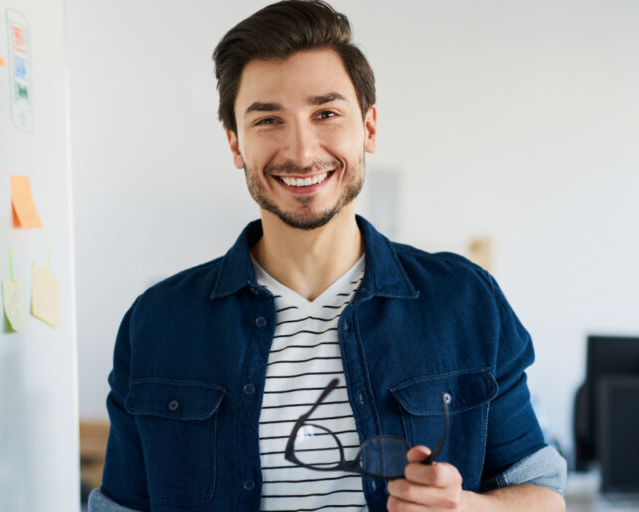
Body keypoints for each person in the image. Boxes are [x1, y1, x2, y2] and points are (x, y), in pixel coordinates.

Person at [88, 1, 566, 511]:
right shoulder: (158, 322)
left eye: (326, 114)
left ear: (370, 127)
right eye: (268, 119)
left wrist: (470, 509)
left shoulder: (466, 301)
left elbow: (544, 497)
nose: (302, 150)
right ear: (235, 144)